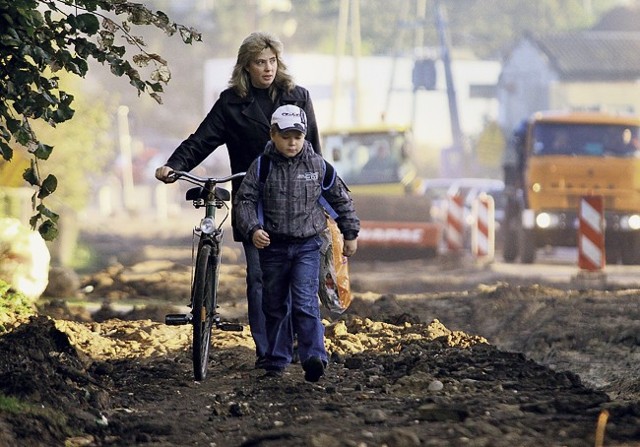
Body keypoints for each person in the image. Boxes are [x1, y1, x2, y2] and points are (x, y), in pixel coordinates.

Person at [155, 32, 322, 369]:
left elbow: (315, 152)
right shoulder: (231, 103)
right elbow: (201, 140)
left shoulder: (297, 97)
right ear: (246, 66)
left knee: (295, 278)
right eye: (260, 62)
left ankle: (293, 346)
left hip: (296, 202)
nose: (268, 68)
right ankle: (269, 353)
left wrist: (323, 200)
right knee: (260, 277)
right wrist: (174, 166)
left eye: (272, 61)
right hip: (254, 201)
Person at [233, 105, 359, 382]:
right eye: (286, 136)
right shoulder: (262, 166)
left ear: (305, 136)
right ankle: (276, 361)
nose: (292, 142)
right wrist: (253, 229)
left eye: (297, 136)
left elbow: (341, 199)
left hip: (307, 246)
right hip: (273, 248)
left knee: (304, 302)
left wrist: (350, 233)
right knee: (275, 305)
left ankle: (314, 356)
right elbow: (244, 201)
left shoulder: (319, 167)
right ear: (273, 134)